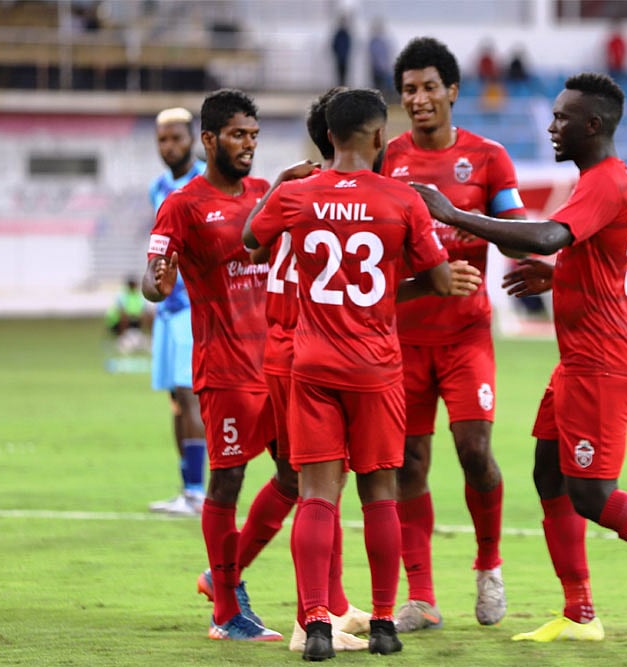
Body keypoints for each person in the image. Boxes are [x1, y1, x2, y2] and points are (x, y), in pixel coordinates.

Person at [411, 71, 627, 643]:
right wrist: (570, 274)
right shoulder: (613, 179)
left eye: (561, 118)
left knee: (592, 493)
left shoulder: (603, 182)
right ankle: (579, 613)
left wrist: (451, 215)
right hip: (586, 355)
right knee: (549, 472)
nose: (550, 126)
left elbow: (545, 236)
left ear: (592, 125)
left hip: (605, 359)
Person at [243, 88, 455, 660]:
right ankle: (384, 624)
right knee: (380, 496)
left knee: (315, 497)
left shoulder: (297, 196)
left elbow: (250, 241)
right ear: (380, 135)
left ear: (329, 137)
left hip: (311, 364)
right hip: (377, 368)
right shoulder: (403, 199)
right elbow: (438, 281)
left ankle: (315, 624)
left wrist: (285, 190)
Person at [381, 35, 528, 632]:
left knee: (476, 453)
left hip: (467, 336)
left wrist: (453, 215)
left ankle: (488, 564)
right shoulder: (386, 158)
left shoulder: (488, 158)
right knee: (410, 462)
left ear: (453, 92)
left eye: (429, 88)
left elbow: (519, 229)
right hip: (404, 340)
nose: (419, 99)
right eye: (409, 90)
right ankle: (421, 597)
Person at [143, 89, 298, 642]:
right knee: (227, 481)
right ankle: (227, 612)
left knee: (296, 477)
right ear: (209, 140)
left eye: (253, 136)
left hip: (279, 363)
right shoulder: (182, 204)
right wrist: (156, 285)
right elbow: (152, 275)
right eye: (237, 135)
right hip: (226, 366)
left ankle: (224, 576)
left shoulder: (263, 192)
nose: (248, 146)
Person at [243, 86, 371, 655]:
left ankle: (333, 605)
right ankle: (306, 619)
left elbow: (253, 248)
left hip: (290, 345)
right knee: (316, 484)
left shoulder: (302, 192)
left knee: (320, 482)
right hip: (301, 348)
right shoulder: (331, 198)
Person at [146, 107, 207, 517]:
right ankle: (186, 490)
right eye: (163, 140)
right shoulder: (157, 187)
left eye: (177, 139)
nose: (169, 147)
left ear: (194, 139)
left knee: (191, 397)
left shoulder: (204, 183)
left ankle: (200, 492)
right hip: (167, 310)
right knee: (174, 398)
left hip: (193, 307)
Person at [368, 18, 393, 94]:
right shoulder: (374, 41)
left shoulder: (382, 41)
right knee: (377, 85)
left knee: (381, 85)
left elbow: (386, 55)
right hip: (376, 67)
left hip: (381, 68)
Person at [331, 14, 352, 86]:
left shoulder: (346, 34)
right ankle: (341, 88)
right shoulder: (338, 34)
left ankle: (343, 87)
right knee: (339, 76)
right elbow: (334, 45)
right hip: (339, 58)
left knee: (345, 75)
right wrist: (337, 54)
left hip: (345, 58)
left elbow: (349, 46)